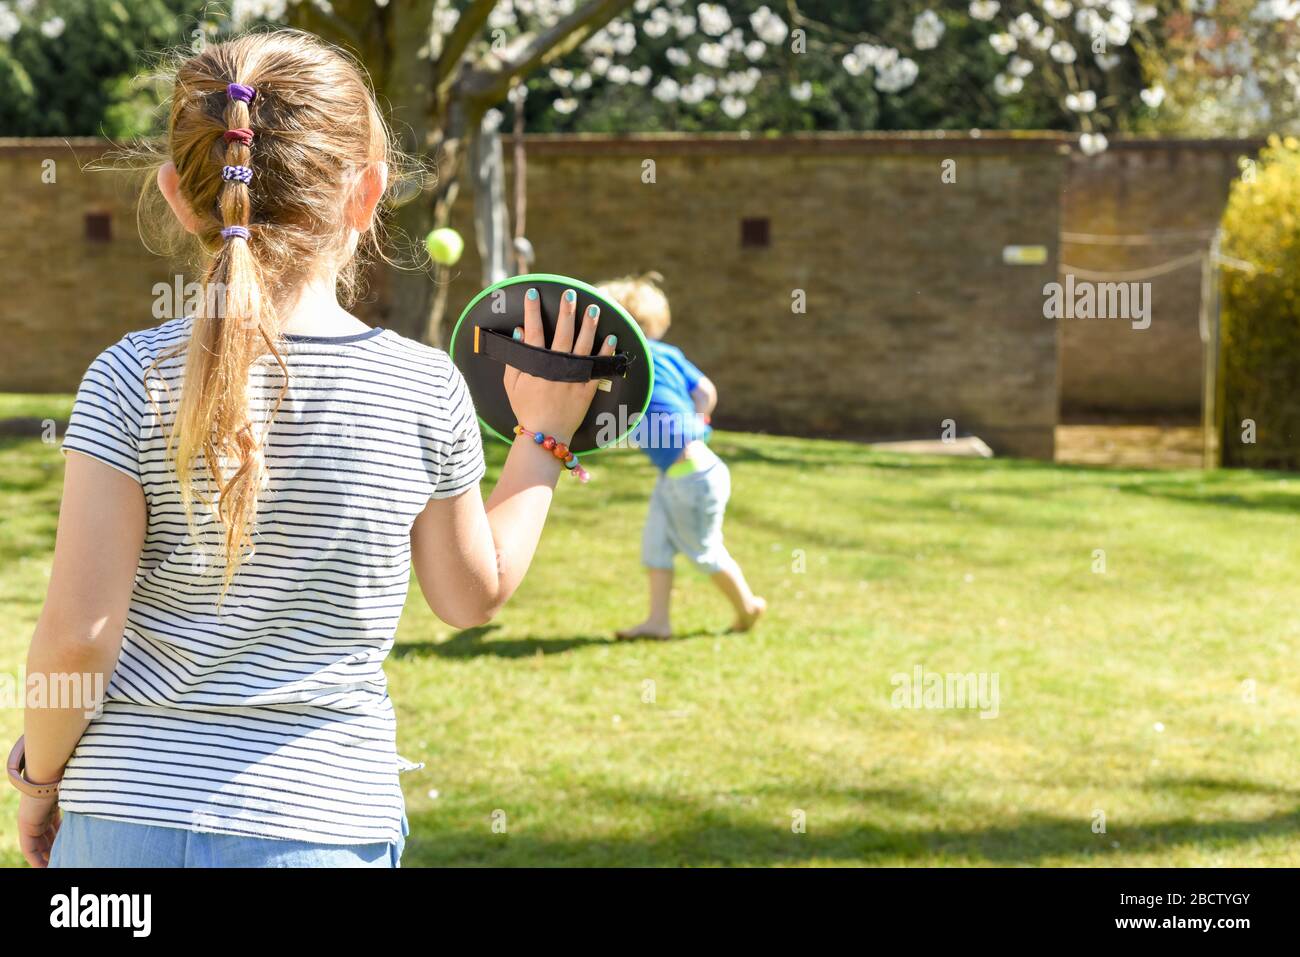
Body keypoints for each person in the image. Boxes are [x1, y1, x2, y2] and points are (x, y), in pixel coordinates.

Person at [11, 30, 611, 868]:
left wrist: (39, 785)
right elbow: (470, 596)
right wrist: (543, 440)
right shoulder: (421, 387)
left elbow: (77, 639)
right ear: (368, 194)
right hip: (321, 829)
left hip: (121, 825)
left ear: (180, 197)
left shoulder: (126, 379)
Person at [598, 274, 766, 641]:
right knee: (656, 546)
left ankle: (747, 605)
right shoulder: (669, 354)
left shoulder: (625, 361)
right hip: (682, 471)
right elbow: (706, 390)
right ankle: (658, 622)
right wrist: (699, 420)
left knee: (704, 552)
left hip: (691, 474)